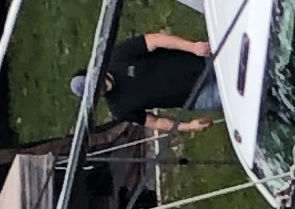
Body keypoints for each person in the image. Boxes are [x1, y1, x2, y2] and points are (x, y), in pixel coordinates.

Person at [67, 30, 221, 136]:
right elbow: (154, 122)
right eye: (93, 93)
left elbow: (155, 40)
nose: (98, 90)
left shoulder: (117, 56)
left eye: (94, 84)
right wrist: (187, 126)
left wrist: (193, 47)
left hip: (201, 60)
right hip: (200, 96)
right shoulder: (119, 109)